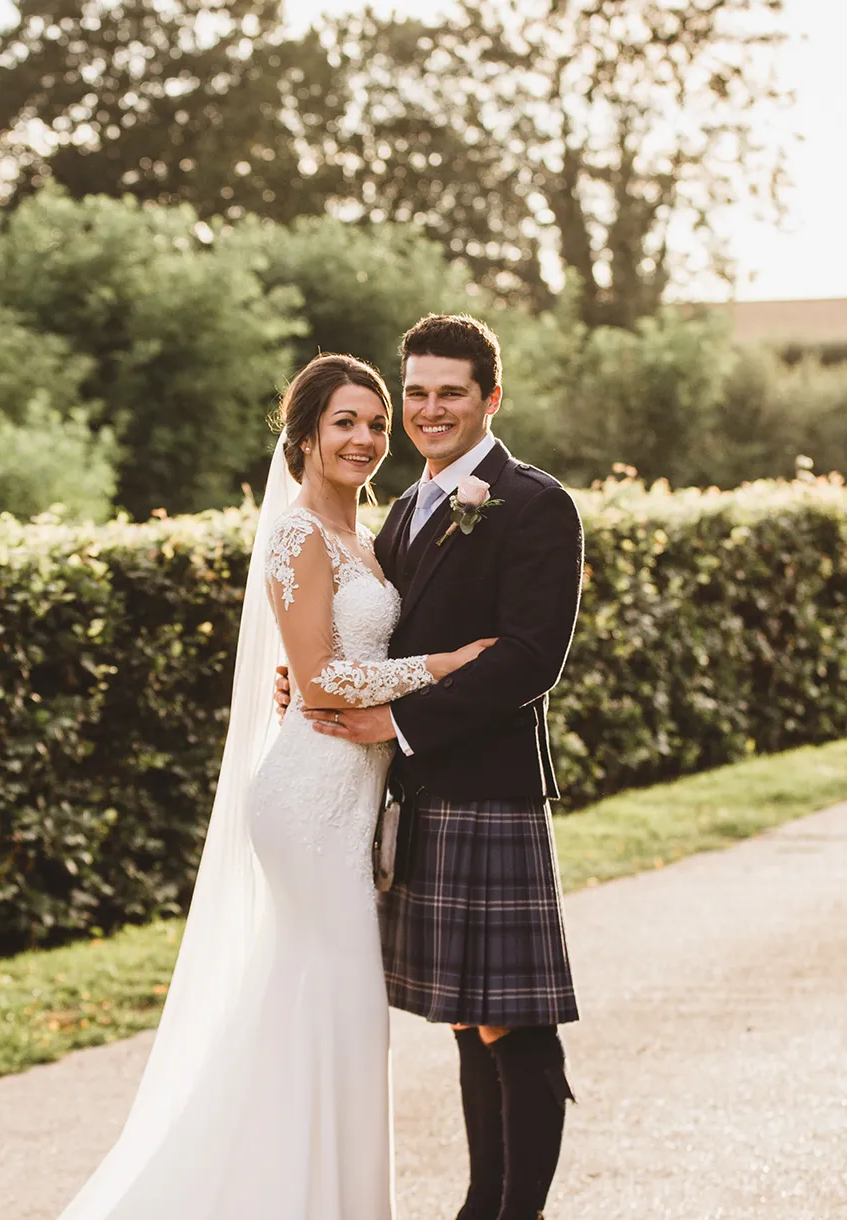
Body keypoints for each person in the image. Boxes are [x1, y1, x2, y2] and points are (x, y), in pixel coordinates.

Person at [54, 353, 493, 1220]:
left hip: (354, 790)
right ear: (304, 435)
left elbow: (333, 663)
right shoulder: (295, 534)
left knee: (319, 1009)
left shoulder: (368, 537)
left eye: (375, 421)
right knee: (341, 1007)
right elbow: (325, 681)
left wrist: (368, 676)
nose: (367, 437)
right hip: (308, 797)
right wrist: (441, 666)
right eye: (345, 422)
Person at [279, 314, 583, 1220]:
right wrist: (307, 685)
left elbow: (531, 657)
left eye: (451, 392)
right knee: (465, 1017)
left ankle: (513, 1211)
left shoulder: (533, 502)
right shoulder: (402, 507)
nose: (428, 409)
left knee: (514, 1024)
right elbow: (349, 637)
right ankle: (479, 1204)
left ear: (492, 398)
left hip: (486, 788)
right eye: (415, 392)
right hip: (407, 798)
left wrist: (396, 722)